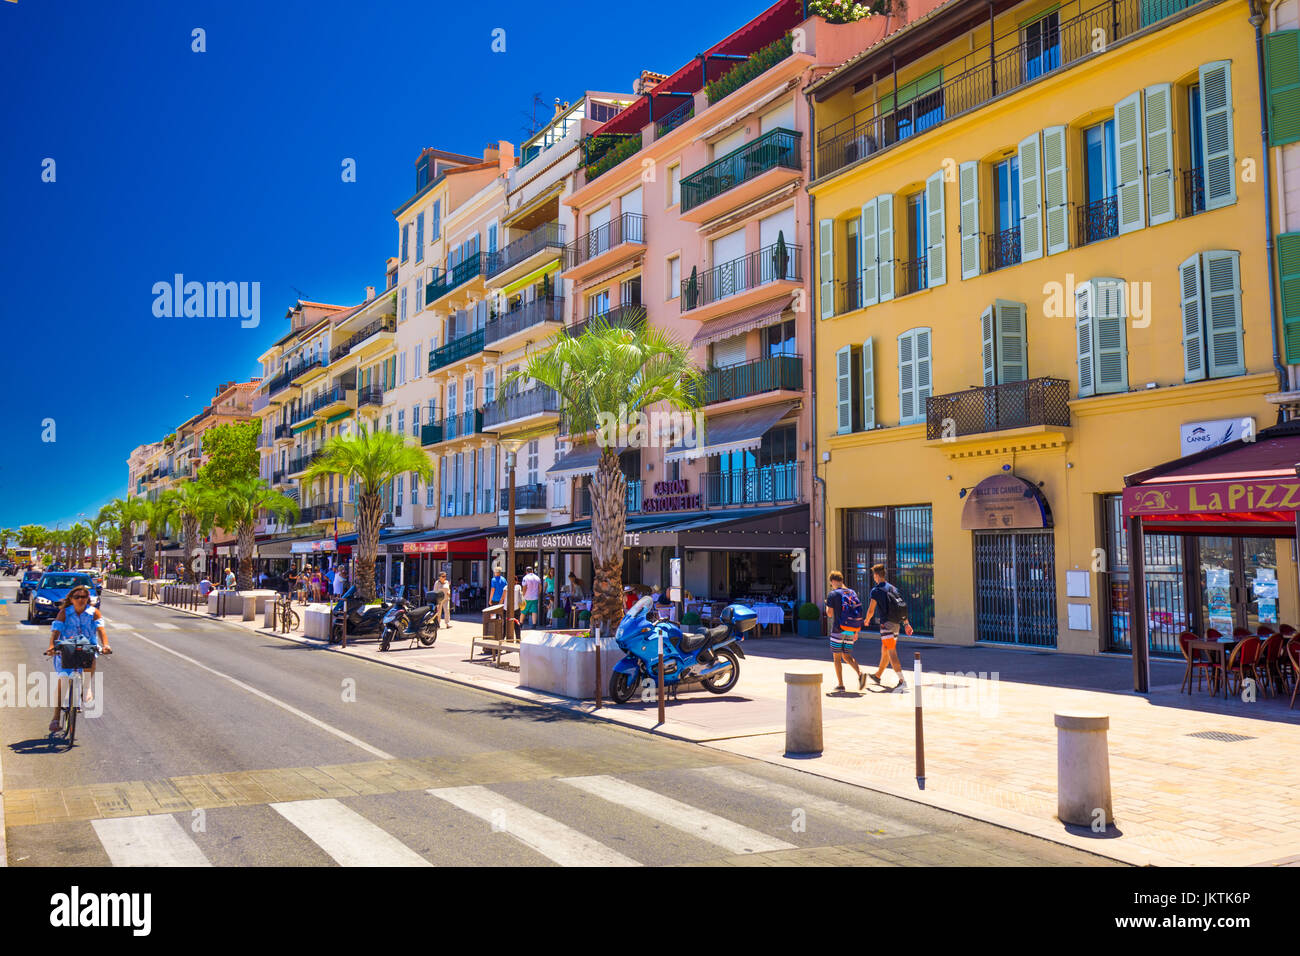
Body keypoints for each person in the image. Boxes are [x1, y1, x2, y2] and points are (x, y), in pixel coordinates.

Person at [44, 584, 111, 731]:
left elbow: (101, 630)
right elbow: (55, 631)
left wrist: (105, 645)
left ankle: (86, 688)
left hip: (87, 646)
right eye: (77, 597)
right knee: (63, 681)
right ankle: (55, 718)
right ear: (71, 599)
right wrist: (51, 647)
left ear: (88, 598)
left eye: (84, 597)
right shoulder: (64, 613)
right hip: (67, 648)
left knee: (91, 657)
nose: (81, 599)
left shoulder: (94, 613)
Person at [864, 563, 913, 691]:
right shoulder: (892, 588)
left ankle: (902, 680)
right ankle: (878, 676)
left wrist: (867, 620)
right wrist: (906, 624)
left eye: (873, 575)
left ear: (876, 575)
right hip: (896, 624)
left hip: (886, 625)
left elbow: (871, 610)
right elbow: (901, 606)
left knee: (891, 652)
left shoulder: (876, 591)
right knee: (885, 649)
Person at [824, 570, 866, 692]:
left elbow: (830, 614)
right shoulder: (851, 592)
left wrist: (827, 604)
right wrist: (855, 631)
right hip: (850, 630)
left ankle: (841, 684)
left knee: (837, 658)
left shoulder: (833, 594)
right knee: (847, 656)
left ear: (832, 581)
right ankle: (860, 673)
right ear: (841, 580)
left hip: (838, 629)